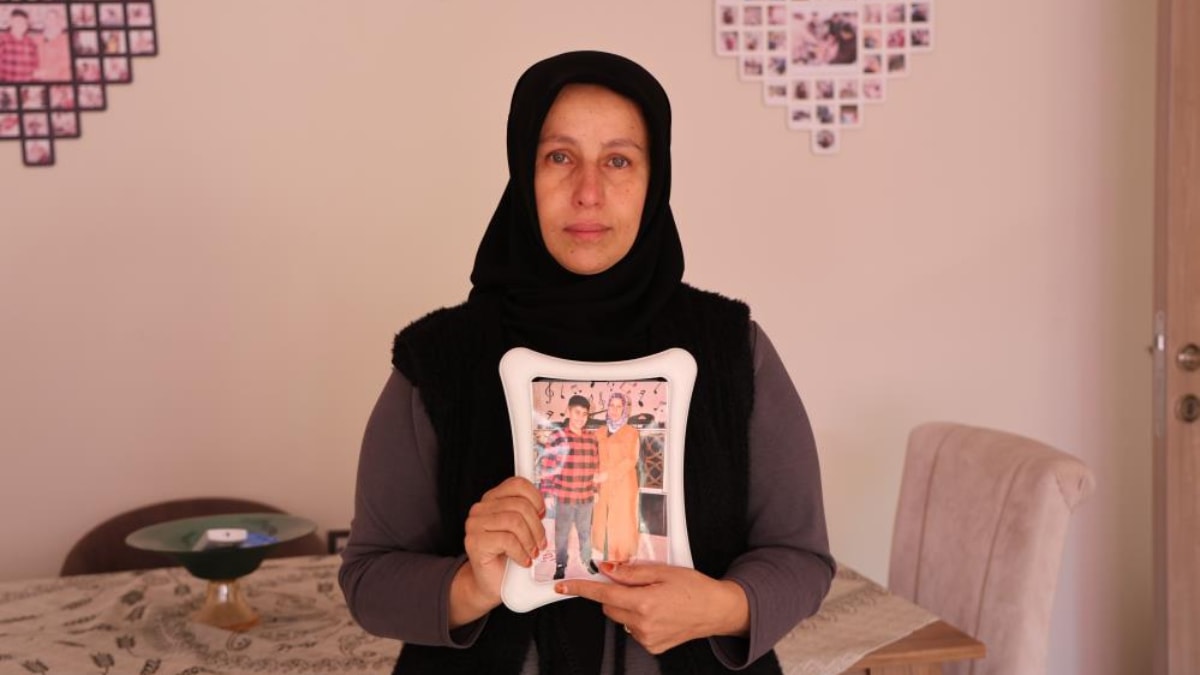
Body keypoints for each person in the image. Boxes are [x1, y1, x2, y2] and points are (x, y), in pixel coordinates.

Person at [339, 50, 834, 674]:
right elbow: (368, 579)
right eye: (559, 157)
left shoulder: (732, 351)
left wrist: (722, 607)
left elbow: (801, 558)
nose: (589, 193)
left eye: (618, 160)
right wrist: (471, 585)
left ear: (655, 180)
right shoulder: (439, 360)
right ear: (523, 172)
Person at [550, 394, 601, 580]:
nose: (581, 417)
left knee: (585, 532)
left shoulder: (592, 439)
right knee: (562, 534)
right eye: (577, 412)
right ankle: (560, 563)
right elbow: (549, 466)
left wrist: (596, 490)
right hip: (564, 497)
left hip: (586, 497)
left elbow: (595, 467)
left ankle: (586, 559)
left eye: (584, 414)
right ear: (569, 411)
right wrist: (548, 494)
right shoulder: (558, 437)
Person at [591, 392, 641, 564]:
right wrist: (595, 477)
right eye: (611, 405)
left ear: (625, 409)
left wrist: (608, 475)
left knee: (622, 519)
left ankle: (621, 556)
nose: (614, 410)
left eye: (619, 406)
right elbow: (595, 456)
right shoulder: (599, 432)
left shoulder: (631, 432)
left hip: (623, 483)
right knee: (603, 517)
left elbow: (630, 460)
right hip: (603, 484)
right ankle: (607, 552)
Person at [0, 9, 39, 83]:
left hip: (27, 86)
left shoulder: (31, 43)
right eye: (18, 21)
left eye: (24, 23)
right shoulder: (2, 40)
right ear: (11, 22)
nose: (21, 25)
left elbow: (35, 68)